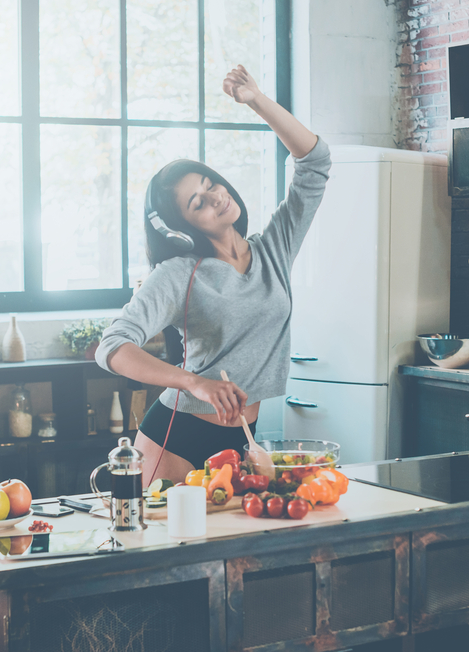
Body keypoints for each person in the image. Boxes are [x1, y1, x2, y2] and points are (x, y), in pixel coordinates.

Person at [95, 64, 331, 486]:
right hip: (177, 435)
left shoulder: (273, 248)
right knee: (158, 547)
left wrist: (256, 100)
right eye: (198, 203)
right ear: (181, 228)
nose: (216, 198)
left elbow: (314, 162)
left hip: (244, 436)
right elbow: (111, 346)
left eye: (211, 185)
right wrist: (194, 383)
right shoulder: (178, 275)